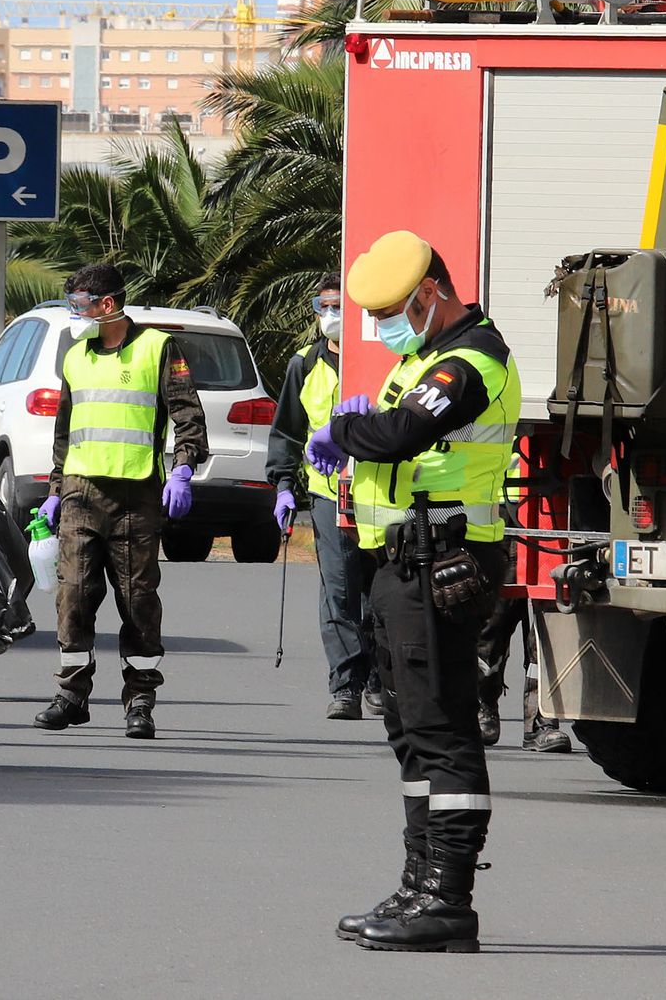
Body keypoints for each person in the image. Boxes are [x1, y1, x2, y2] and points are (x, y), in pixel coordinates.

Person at [308, 230, 520, 953]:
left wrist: (344, 427)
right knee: (408, 731)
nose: (377, 325)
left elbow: (400, 432)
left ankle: (448, 899)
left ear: (430, 291)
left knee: (443, 728)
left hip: (444, 563)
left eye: (391, 308)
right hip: (400, 565)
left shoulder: (471, 359)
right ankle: (417, 883)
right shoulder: (422, 356)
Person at [33, 263, 208, 739]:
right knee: (73, 595)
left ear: (107, 304)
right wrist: (54, 490)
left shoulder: (157, 348)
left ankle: (141, 699)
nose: (74, 314)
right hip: (79, 495)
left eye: (79, 304)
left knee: (137, 601)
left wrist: (184, 469)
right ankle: (71, 694)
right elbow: (64, 432)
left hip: (136, 497)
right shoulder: (74, 356)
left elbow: (188, 416)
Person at [268, 274, 383, 720]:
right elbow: (286, 430)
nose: (330, 315)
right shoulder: (304, 364)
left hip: (378, 495)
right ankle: (345, 684)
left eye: (339, 307)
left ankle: (377, 678)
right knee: (339, 592)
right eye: (324, 306)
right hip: (326, 495)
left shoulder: (379, 362)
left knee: (378, 593)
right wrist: (282, 485)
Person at [476, 450, 571, 753]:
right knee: (493, 621)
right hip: (497, 505)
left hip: (548, 501)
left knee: (548, 621)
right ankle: (482, 706)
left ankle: (541, 722)